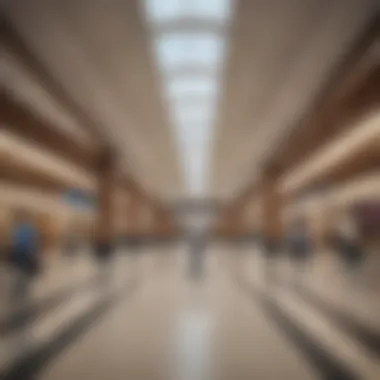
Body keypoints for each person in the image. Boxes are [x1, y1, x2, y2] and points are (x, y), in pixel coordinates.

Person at [9, 210, 40, 305]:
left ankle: (20, 287)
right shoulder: (28, 229)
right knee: (24, 270)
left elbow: (15, 241)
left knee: (21, 270)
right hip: (24, 252)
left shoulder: (18, 228)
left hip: (20, 251)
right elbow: (33, 243)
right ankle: (22, 287)